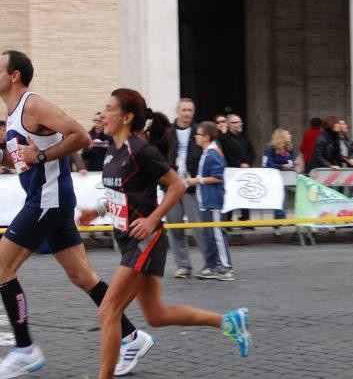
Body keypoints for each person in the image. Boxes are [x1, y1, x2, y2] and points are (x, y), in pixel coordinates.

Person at [0, 50, 154, 378]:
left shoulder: (32, 104)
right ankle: (131, 337)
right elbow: (28, 156)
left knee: (1, 268)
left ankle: (25, 349)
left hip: (47, 202)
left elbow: (81, 136)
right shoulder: (13, 113)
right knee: (83, 276)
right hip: (50, 202)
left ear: (14, 75)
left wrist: (40, 156)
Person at [78, 89, 250, 379]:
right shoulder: (112, 151)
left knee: (108, 311)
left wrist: (152, 219)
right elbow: (123, 195)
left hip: (145, 239)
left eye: (109, 108)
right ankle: (229, 322)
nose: (102, 114)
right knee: (157, 315)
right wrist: (96, 212)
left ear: (127, 116)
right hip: (129, 239)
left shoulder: (140, 149)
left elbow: (177, 186)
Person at [187, 121, 235, 280]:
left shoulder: (213, 153)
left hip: (213, 200)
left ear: (206, 137)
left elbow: (218, 177)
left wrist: (197, 181)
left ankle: (226, 267)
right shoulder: (208, 152)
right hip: (206, 200)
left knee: (216, 233)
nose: (196, 137)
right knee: (208, 233)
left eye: (199, 134)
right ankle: (211, 265)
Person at [165, 98, 205, 278]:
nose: (188, 113)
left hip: (192, 186)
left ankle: (210, 263)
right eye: (184, 110)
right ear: (177, 111)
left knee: (199, 226)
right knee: (174, 227)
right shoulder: (167, 133)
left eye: (190, 110)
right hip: (171, 186)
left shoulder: (200, 132)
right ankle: (183, 266)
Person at [219, 113, 256, 225]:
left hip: (245, 171)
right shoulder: (225, 138)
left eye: (240, 122)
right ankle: (228, 221)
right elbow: (227, 154)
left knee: (245, 194)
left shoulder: (244, 136)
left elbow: (252, 151)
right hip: (232, 171)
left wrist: (248, 163)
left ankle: (245, 219)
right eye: (236, 122)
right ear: (229, 124)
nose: (239, 124)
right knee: (231, 196)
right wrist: (239, 164)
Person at [262, 127, 296, 235]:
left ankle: (282, 218)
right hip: (273, 176)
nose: (290, 136)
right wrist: (281, 166)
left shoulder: (289, 148)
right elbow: (268, 164)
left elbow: (291, 160)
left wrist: (291, 164)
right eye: (287, 134)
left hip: (286, 177)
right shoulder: (270, 148)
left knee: (284, 198)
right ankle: (278, 221)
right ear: (281, 136)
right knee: (278, 198)